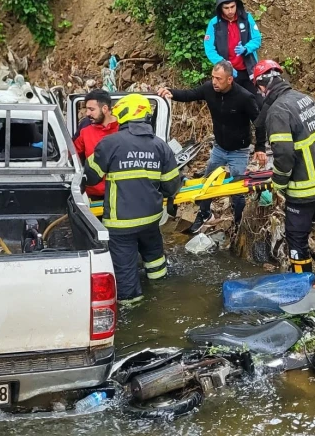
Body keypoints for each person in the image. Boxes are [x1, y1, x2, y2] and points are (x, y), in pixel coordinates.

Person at [252, 59, 315, 273]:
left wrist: (278, 184)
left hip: (305, 185)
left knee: (296, 237)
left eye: (259, 88)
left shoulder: (278, 112)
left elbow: (283, 155)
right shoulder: (304, 99)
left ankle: (304, 286)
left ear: (264, 86)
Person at [84, 94, 181, 305]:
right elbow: (172, 186)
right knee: (156, 263)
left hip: (121, 225)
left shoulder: (109, 143)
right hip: (151, 220)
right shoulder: (161, 146)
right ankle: (162, 296)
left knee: (126, 273)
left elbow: (90, 176)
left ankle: (133, 309)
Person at [158, 60, 267, 233]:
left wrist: (260, 148)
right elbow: (189, 94)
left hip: (239, 150)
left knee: (237, 189)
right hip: (219, 148)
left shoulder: (244, 97)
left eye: (219, 79)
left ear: (230, 79)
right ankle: (205, 214)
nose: (215, 82)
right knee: (206, 183)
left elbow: (260, 123)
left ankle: (238, 222)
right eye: (213, 77)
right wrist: (170, 92)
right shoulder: (209, 89)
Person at [204, 0, 263, 95]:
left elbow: (257, 39)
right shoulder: (214, 24)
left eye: (232, 7)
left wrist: (247, 48)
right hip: (228, 73)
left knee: (256, 102)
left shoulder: (246, 18)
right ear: (220, 8)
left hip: (248, 69)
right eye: (226, 8)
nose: (230, 11)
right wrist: (224, 64)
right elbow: (209, 49)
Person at [73, 89, 119, 199]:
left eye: (91, 109)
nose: (87, 113)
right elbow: (72, 155)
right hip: (93, 195)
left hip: (120, 194)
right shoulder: (85, 130)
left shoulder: (123, 128)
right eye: (87, 109)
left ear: (105, 109)